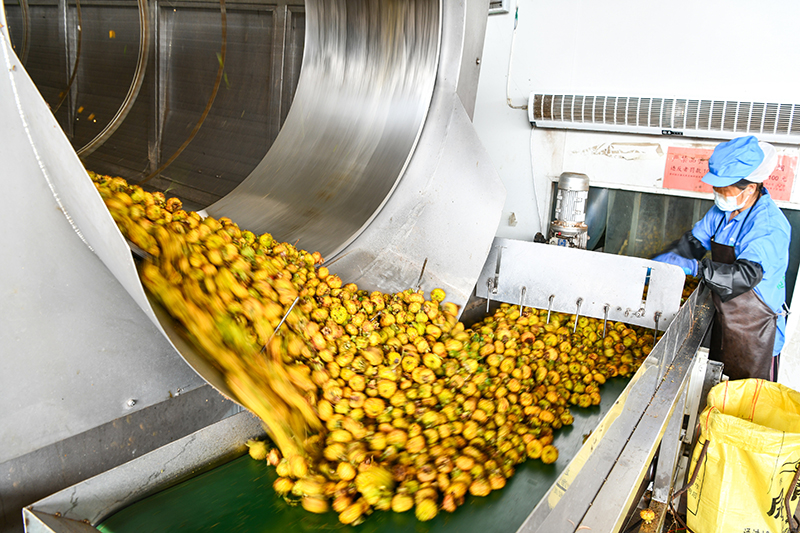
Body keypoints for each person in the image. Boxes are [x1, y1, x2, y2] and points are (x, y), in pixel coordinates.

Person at [654, 135, 791, 382]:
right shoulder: (721, 211)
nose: (716, 192)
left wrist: (696, 268)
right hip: (724, 317)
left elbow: (745, 276)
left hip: (756, 333)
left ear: (750, 187)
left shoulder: (768, 225)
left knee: (746, 408)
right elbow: (694, 243)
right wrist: (662, 261)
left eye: (723, 187)